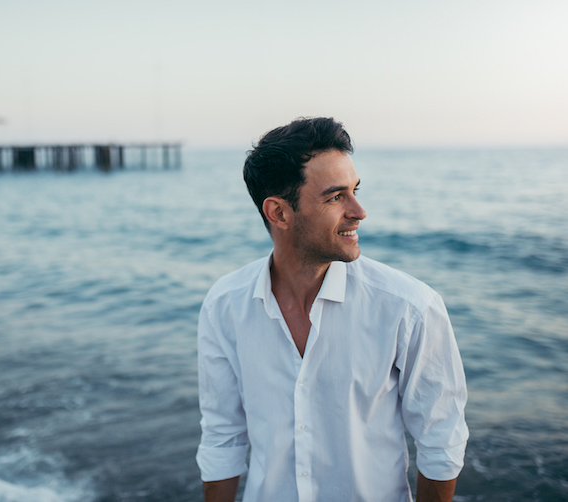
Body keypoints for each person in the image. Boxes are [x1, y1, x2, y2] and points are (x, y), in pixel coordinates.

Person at [196, 117, 468, 502]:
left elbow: (442, 442)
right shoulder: (224, 306)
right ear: (279, 213)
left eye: (355, 190)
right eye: (336, 196)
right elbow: (222, 438)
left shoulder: (410, 309)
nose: (359, 210)